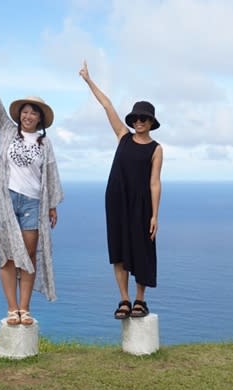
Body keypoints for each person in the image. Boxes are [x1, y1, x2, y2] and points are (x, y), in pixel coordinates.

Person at [0, 56, 63, 327]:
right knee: (7, 254)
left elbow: (49, 175)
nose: (28, 116)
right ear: (19, 115)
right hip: (5, 200)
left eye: (33, 112)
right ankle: (11, 308)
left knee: (29, 256)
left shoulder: (45, 144)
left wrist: (52, 206)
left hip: (33, 203)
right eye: (25, 111)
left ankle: (25, 308)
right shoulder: (6, 130)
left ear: (40, 118)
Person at [79, 61, 163, 320]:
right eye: (136, 118)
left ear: (151, 122)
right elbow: (107, 105)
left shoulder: (156, 149)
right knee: (118, 250)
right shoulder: (122, 137)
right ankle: (124, 300)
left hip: (141, 204)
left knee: (142, 250)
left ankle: (140, 300)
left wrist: (154, 216)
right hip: (116, 200)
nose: (139, 121)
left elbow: (155, 182)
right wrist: (88, 81)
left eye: (144, 118)